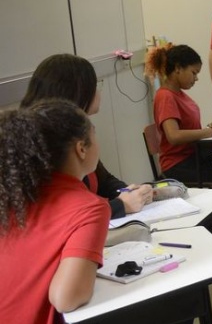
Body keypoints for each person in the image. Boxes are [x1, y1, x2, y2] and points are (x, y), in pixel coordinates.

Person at [0, 100, 191, 324]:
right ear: (81, 148)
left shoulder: (13, 193)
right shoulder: (87, 206)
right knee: (178, 307)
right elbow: (66, 297)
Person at [19, 54, 154, 219]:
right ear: (78, 92)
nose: (98, 93)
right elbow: (65, 213)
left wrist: (130, 192)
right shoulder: (47, 143)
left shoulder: (75, 130)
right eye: (95, 86)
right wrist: (120, 205)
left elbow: (103, 180)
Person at [145, 44, 212, 184]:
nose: (196, 78)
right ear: (178, 68)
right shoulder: (166, 97)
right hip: (177, 165)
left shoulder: (179, 94)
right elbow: (174, 136)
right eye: (194, 72)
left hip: (191, 158)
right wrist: (209, 132)